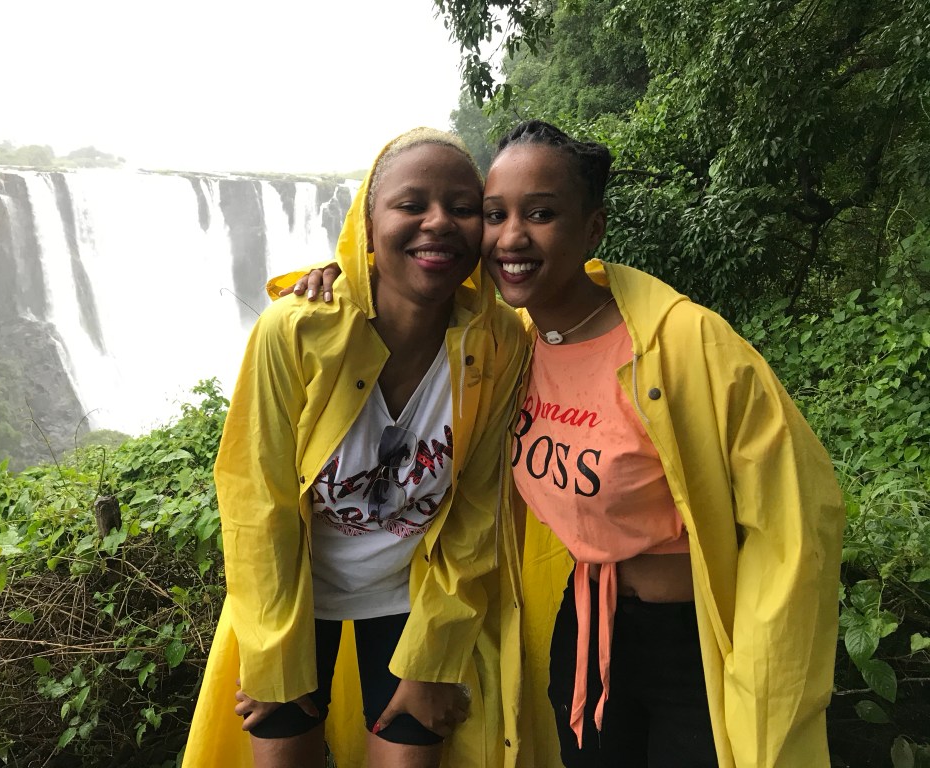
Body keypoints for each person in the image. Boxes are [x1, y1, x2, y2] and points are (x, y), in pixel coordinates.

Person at [286, 120, 846, 768]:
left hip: (697, 642)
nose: (511, 237)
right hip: (585, 631)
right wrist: (348, 273)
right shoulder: (508, 347)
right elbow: (413, 298)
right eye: (494, 214)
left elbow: (797, 516)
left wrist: (768, 672)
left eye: (542, 214)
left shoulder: (682, 345)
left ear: (593, 228)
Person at [182, 128, 527, 768]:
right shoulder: (295, 331)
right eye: (411, 204)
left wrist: (434, 658)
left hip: (414, 598)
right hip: (292, 600)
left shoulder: (498, 341)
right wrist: (275, 659)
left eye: (462, 206)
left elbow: (478, 509)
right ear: (366, 225)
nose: (439, 221)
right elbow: (257, 500)